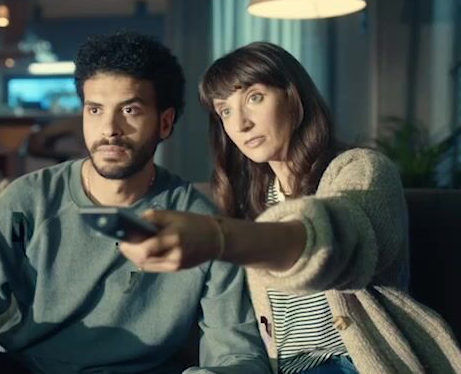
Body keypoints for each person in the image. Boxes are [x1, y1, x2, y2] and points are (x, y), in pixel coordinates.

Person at [0, 32, 271, 374]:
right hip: (25, 367)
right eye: (95, 109)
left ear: (165, 123)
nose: (109, 129)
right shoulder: (28, 200)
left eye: (130, 110)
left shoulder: (199, 224)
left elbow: (237, 350)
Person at [118, 42, 461, 373]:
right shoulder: (249, 197)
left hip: (354, 363)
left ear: (293, 97)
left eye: (254, 98)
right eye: (225, 110)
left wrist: (218, 237)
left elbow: (338, 239)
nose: (240, 124)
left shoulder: (361, 169)